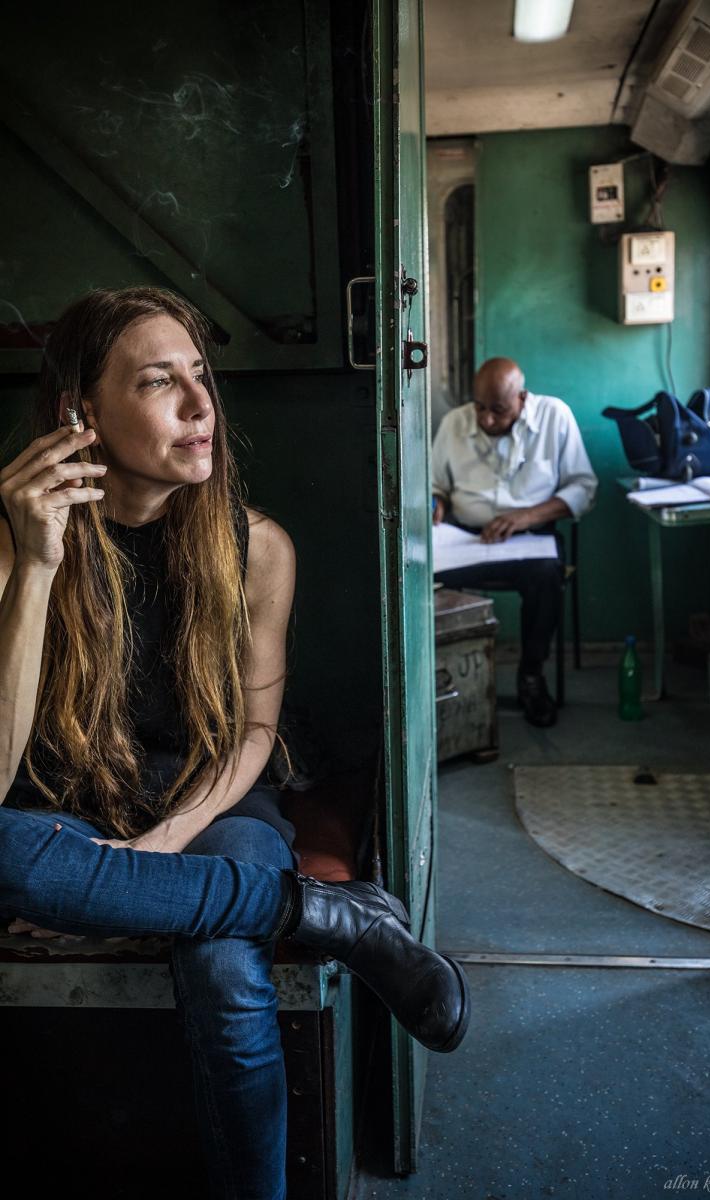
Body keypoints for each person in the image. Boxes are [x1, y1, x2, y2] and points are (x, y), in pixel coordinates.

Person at [0, 286, 470, 1200]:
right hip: (62, 810)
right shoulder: (15, 543)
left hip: (213, 803)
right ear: (78, 414)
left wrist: (144, 865)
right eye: (157, 381)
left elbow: (254, 732)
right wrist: (39, 563)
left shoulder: (258, 548)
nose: (199, 404)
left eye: (199, 375)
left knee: (224, 969)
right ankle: (330, 916)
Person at [432, 356, 597, 727]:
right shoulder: (455, 422)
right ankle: (443, 679)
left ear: (522, 398)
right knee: (423, 578)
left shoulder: (554, 417)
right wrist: (436, 502)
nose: (487, 419)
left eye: (498, 410)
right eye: (480, 407)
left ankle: (531, 676)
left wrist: (525, 517)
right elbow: (435, 484)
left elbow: (583, 488)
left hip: (531, 539)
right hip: (467, 539)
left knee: (547, 577)